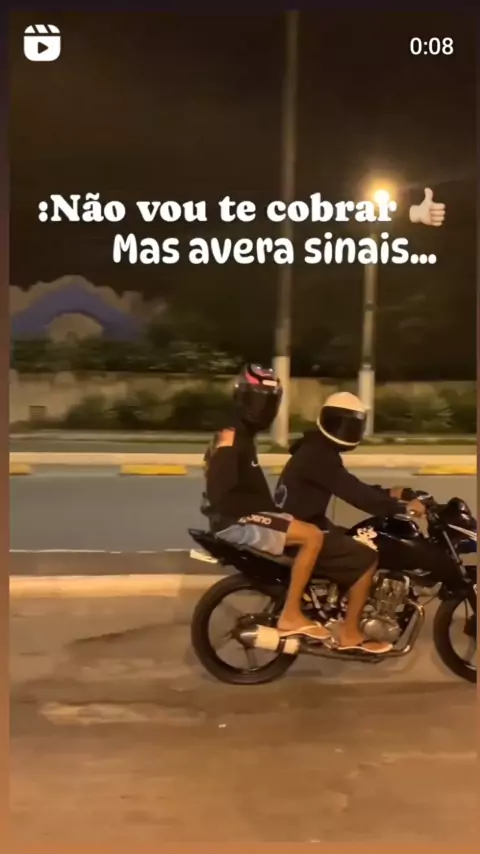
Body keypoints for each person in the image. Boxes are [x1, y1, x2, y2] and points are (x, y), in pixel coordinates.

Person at [274, 391, 426, 655]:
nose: (345, 430)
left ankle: (340, 606)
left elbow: (348, 484)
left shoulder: (316, 448)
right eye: (342, 423)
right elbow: (355, 494)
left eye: (351, 424)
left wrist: (388, 493)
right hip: (304, 528)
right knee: (365, 558)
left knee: (355, 538)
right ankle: (350, 633)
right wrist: (400, 507)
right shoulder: (319, 455)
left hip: (305, 523)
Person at [203, 364, 332, 643]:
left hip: (244, 516)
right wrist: (262, 517)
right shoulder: (232, 438)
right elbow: (219, 493)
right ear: (242, 397)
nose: (263, 409)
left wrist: (277, 515)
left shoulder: (242, 434)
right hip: (236, 521)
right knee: (312, 537)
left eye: (269, 402)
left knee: (310, 528)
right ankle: (291, 615)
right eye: (257, 400)